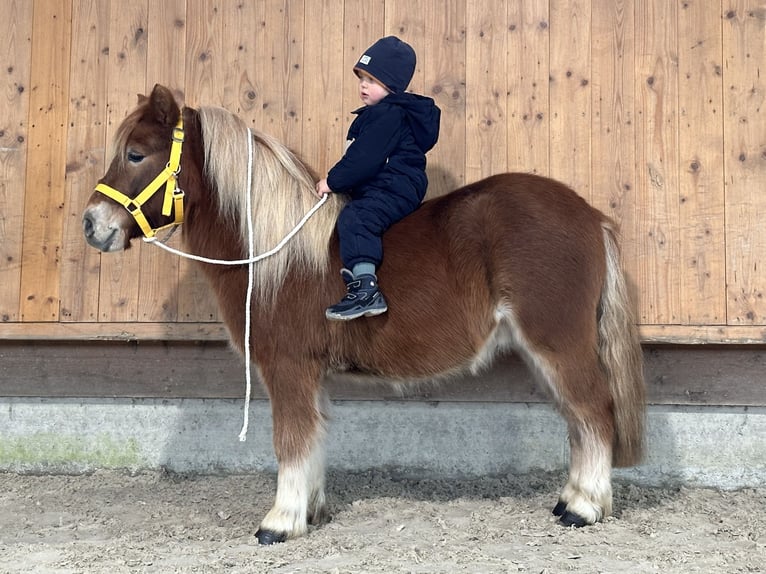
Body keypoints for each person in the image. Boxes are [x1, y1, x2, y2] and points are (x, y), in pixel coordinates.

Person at [315, 36, 441, 321]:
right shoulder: (378, 114)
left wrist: (332, 182)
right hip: (389, 185)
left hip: (392, 186)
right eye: (362, 77)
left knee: (356, 218)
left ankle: (365, 290)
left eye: (372, 80)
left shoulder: (388, 115)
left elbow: (363, 160)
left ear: (392, 85)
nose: (363, 84)